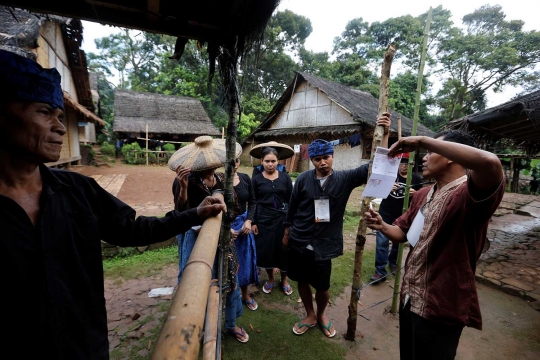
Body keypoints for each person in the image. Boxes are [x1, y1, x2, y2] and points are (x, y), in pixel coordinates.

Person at [0, 49, 226, 359]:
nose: (61, 127)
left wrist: (193, 214)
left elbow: (132, 230)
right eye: (43, 113)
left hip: (86, 348)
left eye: (59, 115)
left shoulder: (77, 190)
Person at [364, 130, 504, 360]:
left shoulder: (470, 195)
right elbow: (403, 234)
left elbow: (489, 162)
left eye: (430, 152)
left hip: (441, 308)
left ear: (449, 156)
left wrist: (420, 141)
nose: (424, 157)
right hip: (410, 297)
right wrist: (382, 225)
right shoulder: (422, 194)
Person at [283, 113, 392, 338]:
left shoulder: (346, 178)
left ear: (333, 157)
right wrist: (287, 232)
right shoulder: (303, 179)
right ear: (311, 161)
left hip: (325, 243)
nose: (322, 162)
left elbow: (378, 166)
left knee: (322, 287)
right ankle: (309, 314)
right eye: (317, 159)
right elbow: (292, 208)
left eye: (326, 157)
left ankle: (321, 314)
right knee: (302, 280)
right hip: (300, 240)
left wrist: (385, 136)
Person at [172, 137, 249, 343]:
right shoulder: (184, 179)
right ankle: (198, 327)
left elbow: (233, 209)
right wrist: (184, 188)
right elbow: (180, 215)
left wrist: (227, 222)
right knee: (197, 283)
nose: (209, 170)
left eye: (211, 166)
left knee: (230, 278)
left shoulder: (221, 178)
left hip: (222, 238)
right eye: (204, 167)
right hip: (195, 240)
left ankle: (231, 324)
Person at [370, 152, 423, 283]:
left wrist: (415, 194)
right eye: (401, 163)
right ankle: (380, 271)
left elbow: (422, 198)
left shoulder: (416, 179)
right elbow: (375, 190)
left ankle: (393, 263)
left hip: (403, 217)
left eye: (406, 164)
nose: (403, 167)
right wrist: (386, 188)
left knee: (397, 244)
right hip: (385, 214)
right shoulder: (390, 176)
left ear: (412, 164)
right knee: (381, 244)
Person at [251, 147, 294, 296]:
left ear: (278, 161)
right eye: (267, 161)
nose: (270, 164)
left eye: (273, 161)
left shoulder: (285, 178)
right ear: (261, 161)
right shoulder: (256, 180)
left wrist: (291, 221)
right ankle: (270, 278)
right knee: (267, 250)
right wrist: (253, 222)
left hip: (283, 219)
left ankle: (284, 280)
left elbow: (291, 200)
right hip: (264, 220)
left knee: (284, 249)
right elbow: (253, 202)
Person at [233, 157, 260, 311]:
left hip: (244, 226)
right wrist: (226, 229)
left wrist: (249, 220)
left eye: (237, 160)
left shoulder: (245, 178)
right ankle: (231, 296)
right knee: (229, 262)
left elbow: (253, 201)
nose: (235, 164)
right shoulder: (219, 180)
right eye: (230, 160)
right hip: (227, 228)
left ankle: (245, 294)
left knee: (245, 261)